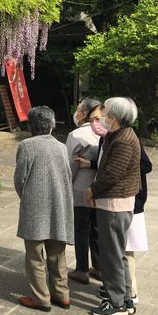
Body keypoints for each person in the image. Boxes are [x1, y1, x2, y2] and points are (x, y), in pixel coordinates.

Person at [84, 97, 141, 315]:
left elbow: (112, 175)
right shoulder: (118, 135)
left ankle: (116, 303)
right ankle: (125, 299)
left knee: (111, 256)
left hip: (114, 205)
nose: (103, 117)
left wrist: (91, 190)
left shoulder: (123, 140)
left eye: (105, 113)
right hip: (115, 204)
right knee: (118, 254)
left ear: (115, 118)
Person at [14, 106, 74, 312]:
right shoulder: (61, 147)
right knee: (57, 254)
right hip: (59, 204)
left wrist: (27, 197)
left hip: (35, 207)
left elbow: (19, 179)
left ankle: (40, 297)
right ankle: (62, 294)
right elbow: (67, 175)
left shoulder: (27, 146)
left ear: (31, 125)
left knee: (35, 255)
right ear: (52, 124)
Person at [65, 98, 103, 285]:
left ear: (85, 113)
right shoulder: (105, 132)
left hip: (80, 188)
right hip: (100, 189)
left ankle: (81, 269)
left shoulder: (77, 134)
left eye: (79, 109)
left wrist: (66, 185)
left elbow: (70, 165)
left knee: (81, 229)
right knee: (96, 229)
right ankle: (98, 267)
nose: (76, 112)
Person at [125, 145, 151, 304]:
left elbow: (147, 165)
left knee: (127, 250)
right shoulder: (107, 139)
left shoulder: (130, 139)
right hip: (118, 202)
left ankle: (132, 291)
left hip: (133, 202)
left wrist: (125, 170)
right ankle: (121, 286)